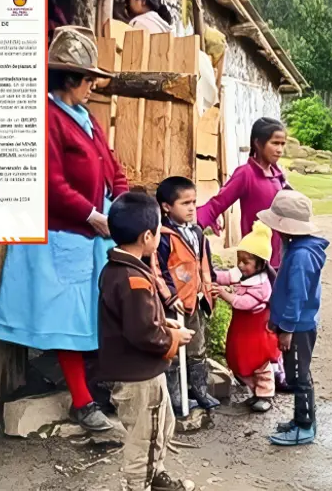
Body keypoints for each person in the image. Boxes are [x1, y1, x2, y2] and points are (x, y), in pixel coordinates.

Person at [0, 26, 128, 432]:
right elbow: (49, 183)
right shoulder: (47, 119)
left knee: (96, 314)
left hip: (95, 232)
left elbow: (111, 166)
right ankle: (82, 403)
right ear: (71, 79)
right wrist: (91, 215)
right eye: (89, 80)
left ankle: (97, 386)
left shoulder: (87, 119)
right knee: (68, 320)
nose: (93, 87)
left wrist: (121, 205)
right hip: (65, 233)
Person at [95, 192, 195, 491]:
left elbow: (133, 319)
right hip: (139, 377)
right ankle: (138, 484)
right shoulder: (133, 279)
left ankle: (157, 476)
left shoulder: (119, 269)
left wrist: (162, 322)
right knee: (144, 439)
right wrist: (173, 336)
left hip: (141, 372)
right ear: (147, 236)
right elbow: (143, 333)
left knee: (160, 426)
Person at [197, 117, 291, 389]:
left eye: (283, 144)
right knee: (255, 321)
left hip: (278, 258)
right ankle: (253, 370)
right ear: (257, 143)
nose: (279, 149)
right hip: (257, 265)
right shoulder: (246, 174)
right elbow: (218, 203)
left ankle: (276, 371)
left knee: (276, 316)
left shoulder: (278, 174)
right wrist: (192, 226)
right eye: (275, 143)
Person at [258, 191, 329, 447]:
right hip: (296, 325)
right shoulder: (297, 248)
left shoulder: (300, 256)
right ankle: (302, 419)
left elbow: (297, 296)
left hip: (298, 328)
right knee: (297, 373)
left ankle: (305, 426)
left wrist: (287, 327)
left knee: (299, 376)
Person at [153, 176, 220, 416]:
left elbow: (205, 264)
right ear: (166, 206)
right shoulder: (162, 237)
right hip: (176, 305)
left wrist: (210, 288)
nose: (192, 207)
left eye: (194, 202)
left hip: (197, 300)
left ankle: (200, 390)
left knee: (197, 347)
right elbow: (158, 270)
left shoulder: (198, 232)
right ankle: (176, 397)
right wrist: (170, 297)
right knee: (173, 351)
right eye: (185, 203)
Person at [212, 221, 280, 413]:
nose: (240, 265)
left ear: (260, 263)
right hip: (242, 330)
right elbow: (226, 276)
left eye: (246, 261)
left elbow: (243, 303)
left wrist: (224, 293)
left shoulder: (262, 285)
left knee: (260, 363)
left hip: (257, 332)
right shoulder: (243, 272)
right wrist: (209, 274)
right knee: (240, 358)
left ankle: (265, 394)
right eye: (239, 260)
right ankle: (255, 392)